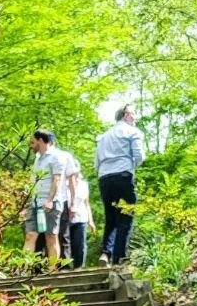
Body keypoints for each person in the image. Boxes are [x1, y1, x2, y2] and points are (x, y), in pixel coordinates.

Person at [94, 103, 146, 265]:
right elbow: (139, 156)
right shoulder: (132, 131)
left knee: (111, 217)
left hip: (104, 178)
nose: (135, 117)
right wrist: (130, 168)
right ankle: (119, 258)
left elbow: (96, 163)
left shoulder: (103, 136)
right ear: (125, 115)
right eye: (134, 113)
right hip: (122, 175)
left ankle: (106, 253)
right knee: (126, 216)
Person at [21, 129, 65, 267]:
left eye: (33, 142)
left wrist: (50, 201)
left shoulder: (56, 156)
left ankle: (52, 270)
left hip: (50, 203)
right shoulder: (37, 159)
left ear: (41, 140)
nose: (31, 145)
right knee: (30, 235)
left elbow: (57, 179)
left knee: (51, 236)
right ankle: (24, 269)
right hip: (35, 203)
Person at [55, 144, 90, 268]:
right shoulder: (62, 184)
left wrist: (91, 221)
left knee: (79, 245)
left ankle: (79, 267)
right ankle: (64, 267)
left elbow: (87, 203)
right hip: (65, 217)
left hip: (80, 218)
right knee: (65, 242)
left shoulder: (84, 184)